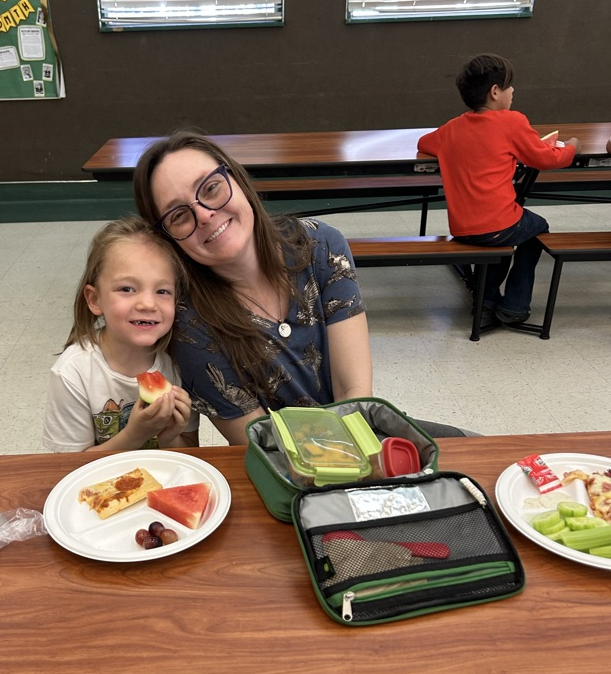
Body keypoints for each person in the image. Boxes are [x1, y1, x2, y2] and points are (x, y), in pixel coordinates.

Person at [133, 130, 470, 444]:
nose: (204, 215)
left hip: (361, 431)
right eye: (178, 215)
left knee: (482, 451)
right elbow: (261, 443)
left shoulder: (320, 246)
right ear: (168, 238)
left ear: (236, 178)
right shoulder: (190, 324)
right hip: (290, 469)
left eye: (210, 188)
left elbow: (353, 392)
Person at [417, 53, 580, 326]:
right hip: (498, 225)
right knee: (536, 228)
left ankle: (487, 301)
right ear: (495, 92)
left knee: (502, 236)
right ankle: (514, 306)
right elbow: (548, 159)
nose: (513, 90)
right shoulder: (512, 122)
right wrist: (573, 146)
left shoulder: (451, 129)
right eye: (509, 85)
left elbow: (424, 141)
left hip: (462, 227)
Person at [43, 215, 198, 452]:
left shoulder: (181, 363)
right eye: (127, 289)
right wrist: (135, 434)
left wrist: (170, 436)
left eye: (162, 291)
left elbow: (189, 450)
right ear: (95, 300)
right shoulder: (72, 374)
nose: (148, 303)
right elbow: (67, 468)